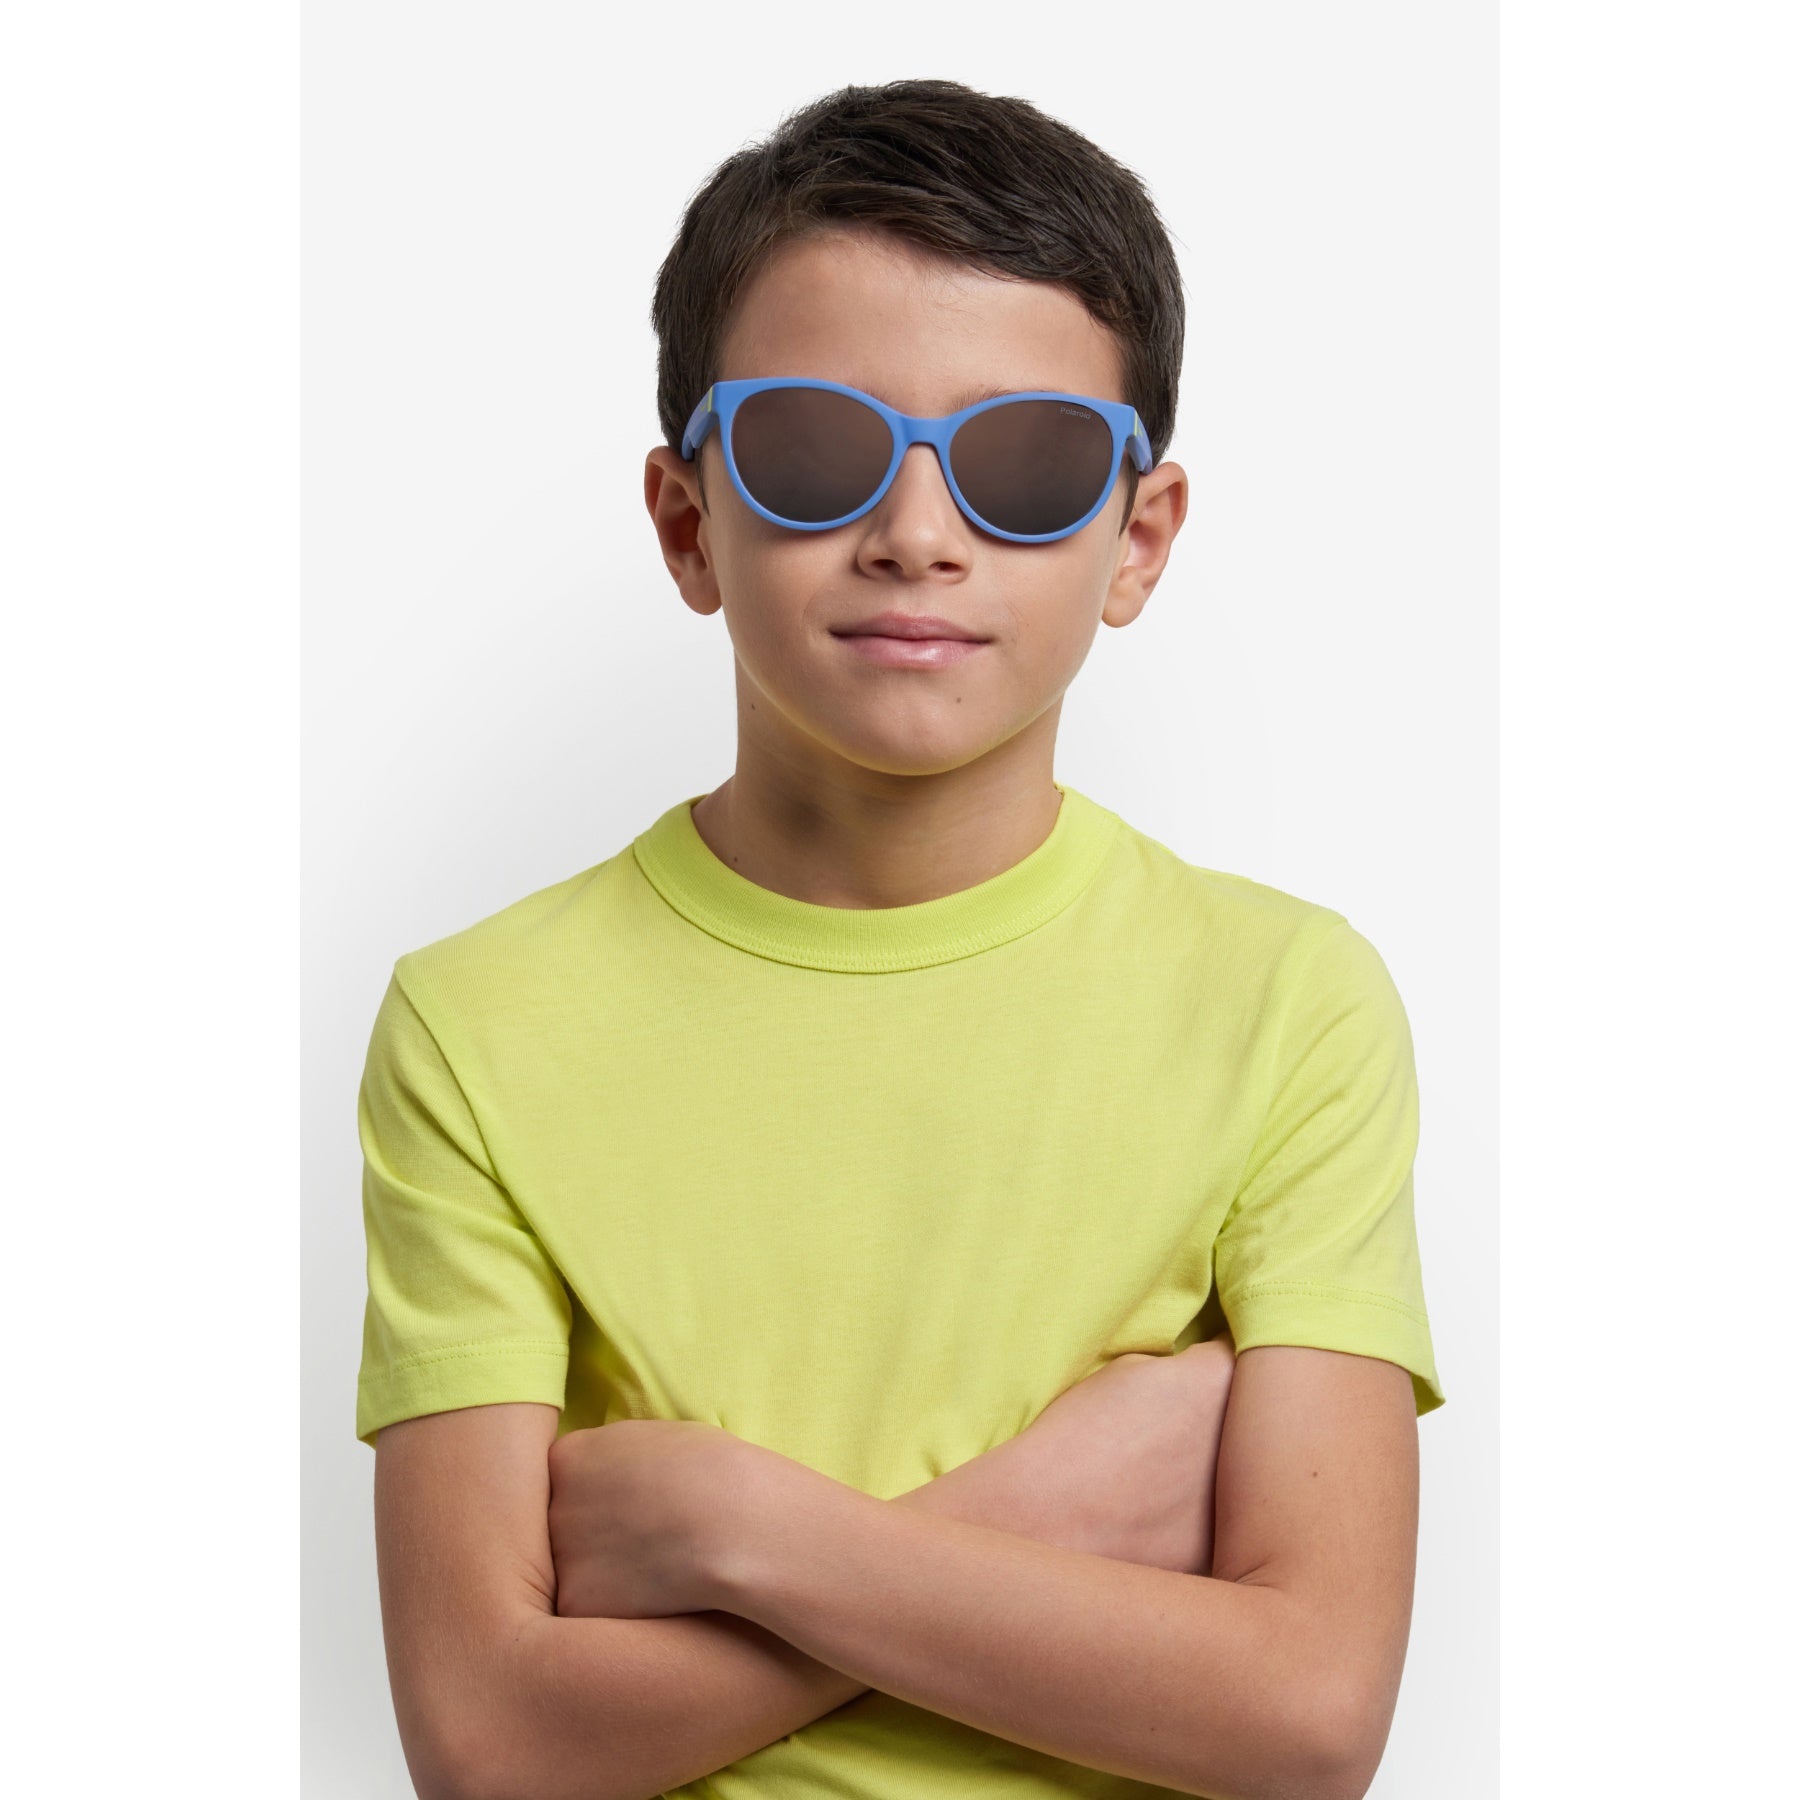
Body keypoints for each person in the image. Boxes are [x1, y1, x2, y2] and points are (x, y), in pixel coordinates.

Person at [355, 76, 1445, 1800]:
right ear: (688, 522)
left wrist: (735, 1529)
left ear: (1138, 540)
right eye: (815, 452)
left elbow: (1308, 1719)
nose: (918, 536)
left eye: (1027, 464)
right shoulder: (479, 1022)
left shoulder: (1285, 1002)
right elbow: (490, 1746)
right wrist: (1061, 1510)